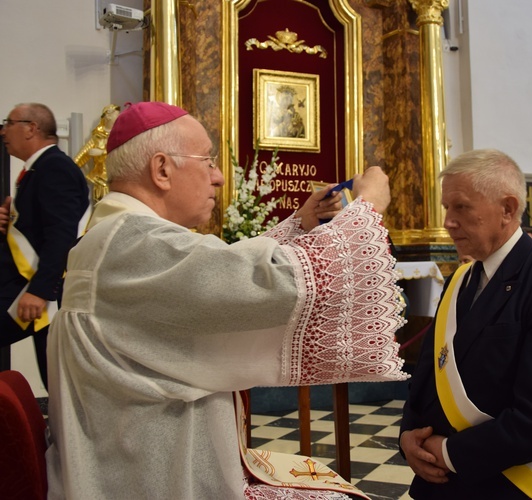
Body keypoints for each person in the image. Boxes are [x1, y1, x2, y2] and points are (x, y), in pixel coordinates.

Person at [45, 101, 408, 499]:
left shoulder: (119, 236)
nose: (218, 177)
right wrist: (368, 208)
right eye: (208, 161)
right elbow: (269, 286)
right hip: (150, 480)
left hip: (137, 463)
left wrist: (299, 226)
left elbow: (217, 281)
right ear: (162, 169)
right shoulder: (136, 243)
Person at [400, 149, 532, 499]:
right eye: (446, 208)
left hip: (507, 486)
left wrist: (447, 453)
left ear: (507, 209)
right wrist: (408, 436)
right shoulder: (460, 280)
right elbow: (429, 374)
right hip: (436, 484)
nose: (448, 221)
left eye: (461, 207)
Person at [0, 103, 89, 389]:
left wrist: (40, 291)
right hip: (32, 289)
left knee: (60, 384)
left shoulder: (54, 167)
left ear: (31, 128)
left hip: (38, 293)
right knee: (55, 381)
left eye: (9, 123)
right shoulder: (41, 167)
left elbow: (62, 232)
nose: (4, 130)